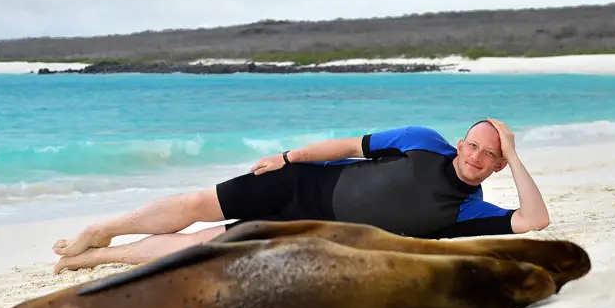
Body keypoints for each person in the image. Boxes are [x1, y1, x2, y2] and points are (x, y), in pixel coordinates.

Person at [52, 118, 550, 274]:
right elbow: (346, 146)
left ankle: (101, 257)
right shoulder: (422, 141)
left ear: (499, 163)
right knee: (193, 206)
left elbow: (534, 221)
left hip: (307, 230)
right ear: (462, 142)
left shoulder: (466, 211)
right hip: (300, 182)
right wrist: (289, 157)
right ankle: (104, 229)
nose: (477, 158)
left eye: (491, 155)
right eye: (474, 145)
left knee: (204, 242)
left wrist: (517, 153)